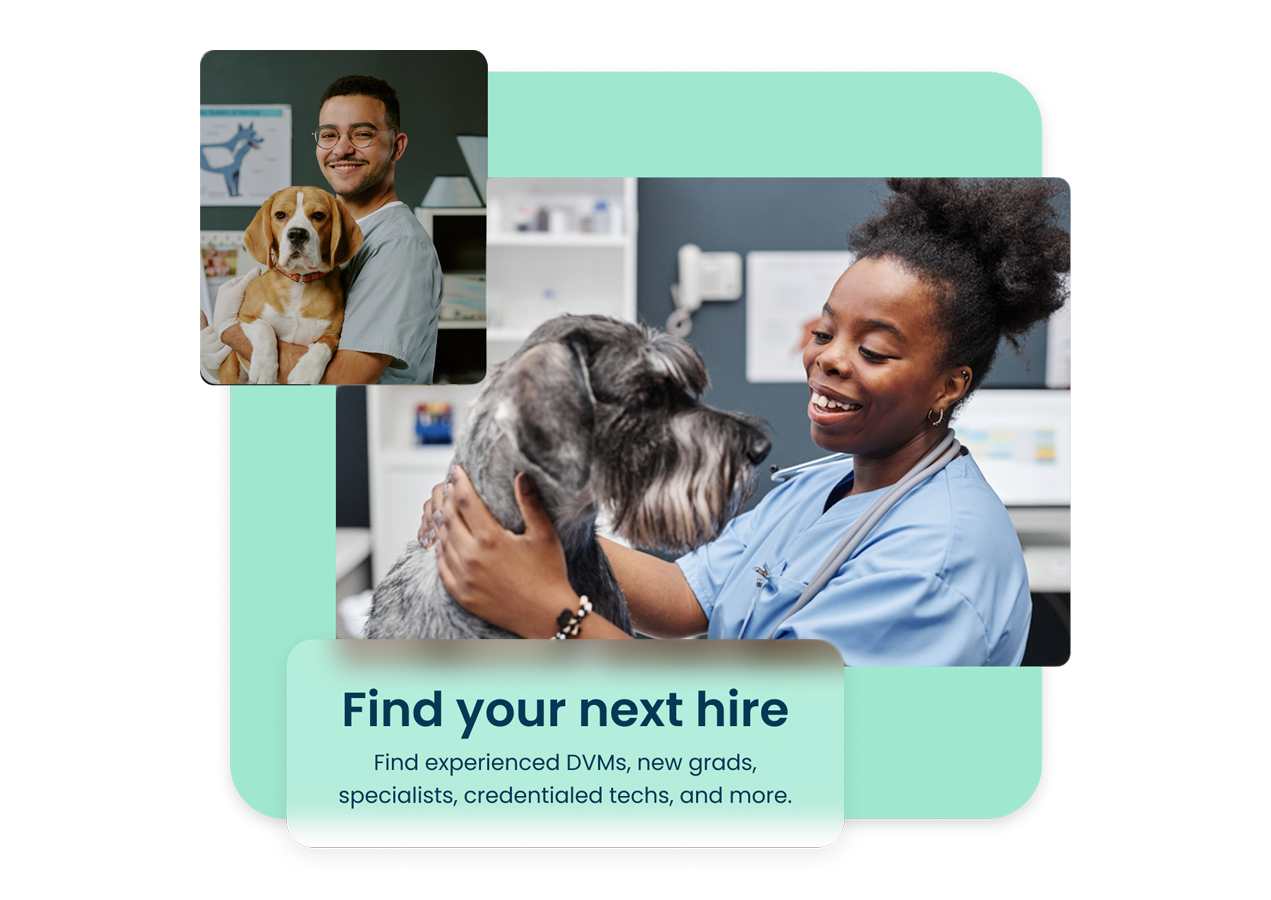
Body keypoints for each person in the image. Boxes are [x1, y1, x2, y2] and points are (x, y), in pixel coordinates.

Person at [419, 179, 1070, 665]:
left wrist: (546, 610)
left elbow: (769, 736)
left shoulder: (934, 564)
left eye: (872, 351)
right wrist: (514, 534)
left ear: (948, 385)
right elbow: (684, 597)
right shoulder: (828, 486)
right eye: (823, 330)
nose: (828, 360)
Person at [201, 75, 443, 384]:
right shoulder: (337, 236)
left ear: (396, 147)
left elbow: (344, 380)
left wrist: (231, 331)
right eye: (329, 135)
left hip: (351, 426)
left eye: (363, 134)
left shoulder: (399, 246)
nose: (342, 149)